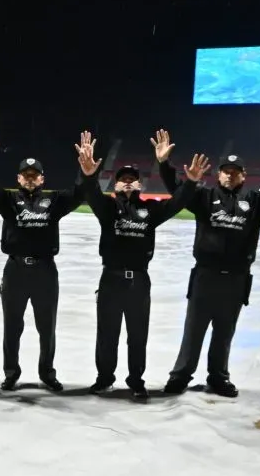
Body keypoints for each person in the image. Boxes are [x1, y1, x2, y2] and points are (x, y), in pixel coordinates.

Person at [152, 130, 260, 397]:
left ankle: (218, 378)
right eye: (226, 171)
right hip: (205, 276)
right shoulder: (203, 197)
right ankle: (180, 376)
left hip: (236, 279)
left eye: (236, 171)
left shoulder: (256, 202)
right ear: (218, 174)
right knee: (194, 330)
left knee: (224, 332)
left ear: (244, 176)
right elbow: (178, 191)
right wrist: (164, 164)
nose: (230, 175)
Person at [76, 132, 208, 399]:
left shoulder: (151, 211)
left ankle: (136, 380)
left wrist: (191, 182)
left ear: (140, 184)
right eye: (122, 180)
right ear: (115, 185)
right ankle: (104, 378)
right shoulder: (108, 209)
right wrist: (89, 176)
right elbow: (91, 194)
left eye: (132, 180)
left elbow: (177, 203)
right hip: (110, 280)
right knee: (107, 334)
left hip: (138, 282)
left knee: (137, 335)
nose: (127, 183)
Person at [0, 124, 85, 391]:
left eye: (35, 175)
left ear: (42, 179)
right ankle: (11, 372)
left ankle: (47, 372)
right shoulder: (7, 202)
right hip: (15, 272)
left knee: (47, 328)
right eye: (25, 175)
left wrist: (86, 172)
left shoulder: (54, 203)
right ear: (18, 179)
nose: (30, 178)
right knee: (12, 326)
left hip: (45, 271)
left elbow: (80, 192)